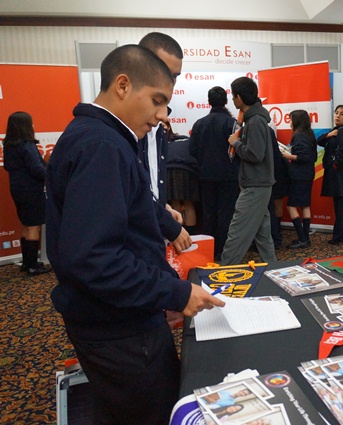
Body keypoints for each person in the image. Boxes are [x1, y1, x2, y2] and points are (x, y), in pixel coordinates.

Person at [45, 45, 224, 424]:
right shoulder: (102, 146)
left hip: (118, 316)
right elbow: (94, 259)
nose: (162, 116)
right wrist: (174, 292)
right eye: (157, 101)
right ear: (123, 85)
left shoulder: (104, 138)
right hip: (118, 328)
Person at [139, 32, 192, 254]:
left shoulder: (159, 127)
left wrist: (163, 207)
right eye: (162, 72)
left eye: (175, 76)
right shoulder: (114, 136)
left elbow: (148, 185)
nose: (170, 83)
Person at [222, 76, 277, 265]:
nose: (232, 99)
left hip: (255, 185)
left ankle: (224, 271)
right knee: (263, 236)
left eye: (233, 96)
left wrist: (236, 143)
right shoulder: (254, 120)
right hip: (257, 184)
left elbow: (255, 154)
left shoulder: (255, 122)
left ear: (239, 98)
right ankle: (271, 268)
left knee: (237, 233)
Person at [189, 86, 239, 260]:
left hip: (206, 175)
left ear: (208, 102)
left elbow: (192, 150)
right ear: (226, 101)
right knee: (226, 214)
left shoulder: (199, 124)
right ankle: (223, 252)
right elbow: (239, 149)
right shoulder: (232, 123)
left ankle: (208, 251)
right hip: (229, 176)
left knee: (208, 214)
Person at [2, 111, 51, 275]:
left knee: (27, 224)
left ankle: (27, 262)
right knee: (34, 227)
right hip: (31, 190)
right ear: (25, 126)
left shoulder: (9, 145)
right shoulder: (27, 145)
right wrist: (51, 172)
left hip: (17, 189)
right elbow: (37, 170)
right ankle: (32, 266)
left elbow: (8, 166)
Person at [281, 110, 317, 249]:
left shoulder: (300, 136)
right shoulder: (309, 134)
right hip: (307, 174)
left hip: (299, 176)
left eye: (291, 119)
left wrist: (287, 156)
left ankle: (302, 238)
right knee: (305, 205)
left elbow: (303, 157)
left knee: (291, 206)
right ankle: (305, 238)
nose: (290, 122)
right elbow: (312, 157)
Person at [318, 105, 343, 244]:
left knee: (341, 205)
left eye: (342, 114)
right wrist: (328, 135)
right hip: (336, 173)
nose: (337, 116)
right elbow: (319, 141)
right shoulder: (336, 130)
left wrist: (335, 165)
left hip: (339, 173)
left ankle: (341, 236)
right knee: (340, 204)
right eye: (336, 113)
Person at [165, 121, 199, 235]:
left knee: (174, 204)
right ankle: (191, 234)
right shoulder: (188, 142)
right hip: (188, 171)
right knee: (189, 204)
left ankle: (177, 233)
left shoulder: (167, 144)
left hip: (169, 169)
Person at [267, 120, 289, 250]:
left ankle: (275, 236)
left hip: (271, 177)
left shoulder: (264, 129)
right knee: (275, 206)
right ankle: (276, 235)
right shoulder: (270, 129)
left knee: (270, 208)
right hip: (277, 174)